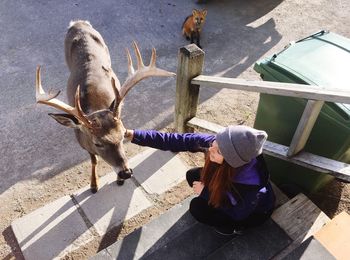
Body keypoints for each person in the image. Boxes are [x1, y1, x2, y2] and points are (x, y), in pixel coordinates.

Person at [124, 125, 276, 235]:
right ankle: (214, 199)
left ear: (231, 161)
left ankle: (233, 229)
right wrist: (132, 134)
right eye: (215, 142)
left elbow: (238, 213)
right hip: (228, 187)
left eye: (218, 151)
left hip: (252, 213)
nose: (210, 149)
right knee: (193, 175)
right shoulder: (218, 143)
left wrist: (206, 193)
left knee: (198, 209)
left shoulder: (251, 187)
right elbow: (175, 140)